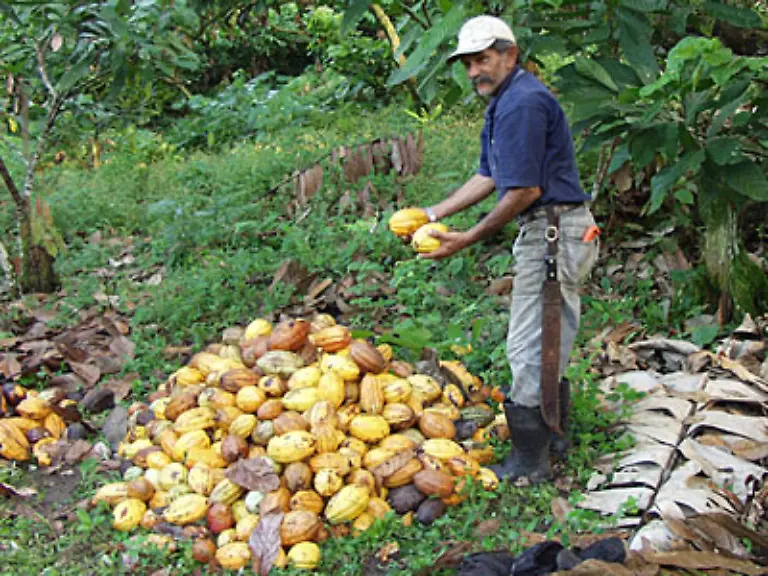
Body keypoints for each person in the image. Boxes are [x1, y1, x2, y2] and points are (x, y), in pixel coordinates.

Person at [420, 15, 599, 483]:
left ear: (510, 55)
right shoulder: (506, 101)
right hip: (550, 230)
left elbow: (524, 192)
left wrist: (468, 238)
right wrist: (434, 214)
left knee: (529, 346)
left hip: (554, 232)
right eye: (467, 64)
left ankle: (530, 462)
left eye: (483, 59)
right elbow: (491, 175)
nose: (474, 71)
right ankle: (555, 435)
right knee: (545, 339)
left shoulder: (521, 104)